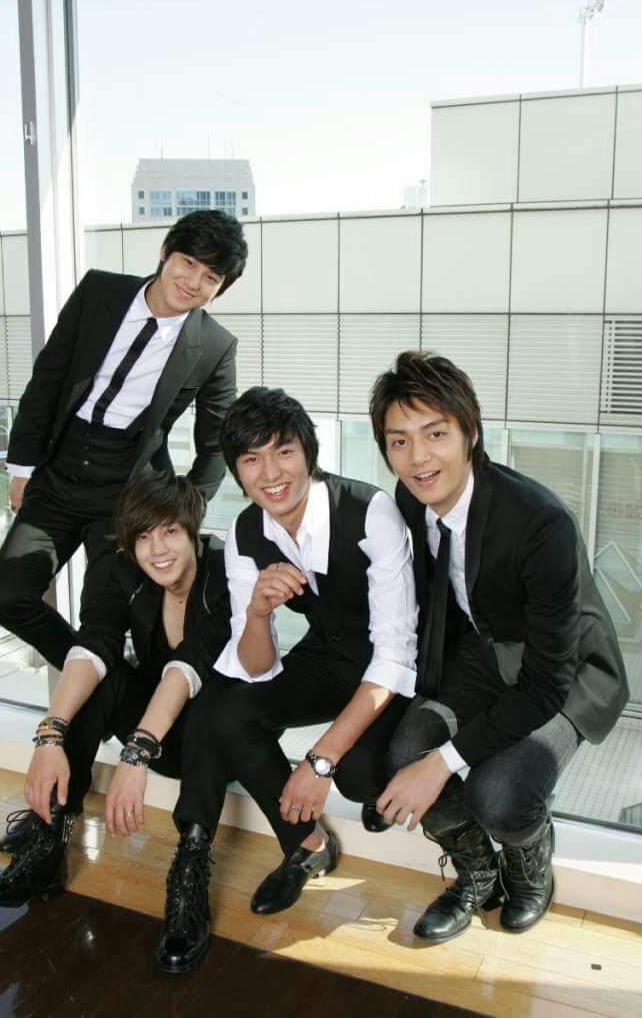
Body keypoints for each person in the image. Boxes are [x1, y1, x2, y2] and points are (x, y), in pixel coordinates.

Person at [368, 350, 629, 943]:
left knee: (500, 795)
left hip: (565, 671)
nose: (418, 457)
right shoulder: (410, 499)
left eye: (436, 434)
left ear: (472, 433)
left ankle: (528, 858)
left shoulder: (540, 522)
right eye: (400, 441)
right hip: (487, 650)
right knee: (404, 754)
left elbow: (545, 684)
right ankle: (477, 873)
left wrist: (444, 762)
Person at [153, 385, 418, 968]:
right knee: (225, 711)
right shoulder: (247, 533)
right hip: (328, 656)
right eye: (252, 459)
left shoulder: (369, 512)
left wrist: (318, 760)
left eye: (284, 452)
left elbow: (395, 657)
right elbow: (254, 666)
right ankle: (306, 844)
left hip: (393, 670)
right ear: (237, 470)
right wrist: (256, 613)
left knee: (357, 771)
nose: (271, 474)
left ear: (308, 454)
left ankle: (367, 792)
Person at [0, 471, 231, 974]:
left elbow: (191, 665)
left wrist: (136, 753)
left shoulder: (224, 568)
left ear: (193, 529)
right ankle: (49, 842)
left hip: (215, 738)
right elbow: (93, 644)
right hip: (156, 724)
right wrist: (50, 735)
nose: (158, 548)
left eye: (170, 531)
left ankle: (191, 872)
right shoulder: (119, 570)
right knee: (103, 676)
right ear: (128, 542)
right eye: (143, 536)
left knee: (214, 706)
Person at [0, 210, 247, 671]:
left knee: (101, 625)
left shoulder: (215, 345)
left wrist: (184, 511)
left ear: (219, 288)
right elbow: (48, 379)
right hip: (57, 475)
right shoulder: (98, 291)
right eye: (188, 263)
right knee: (7, 596)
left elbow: (216, 443)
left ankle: (103, 688)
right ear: (165, 253)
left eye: (211, 277)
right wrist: (23, 468)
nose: (193, 282)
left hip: (129, 496)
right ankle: (112, 689)